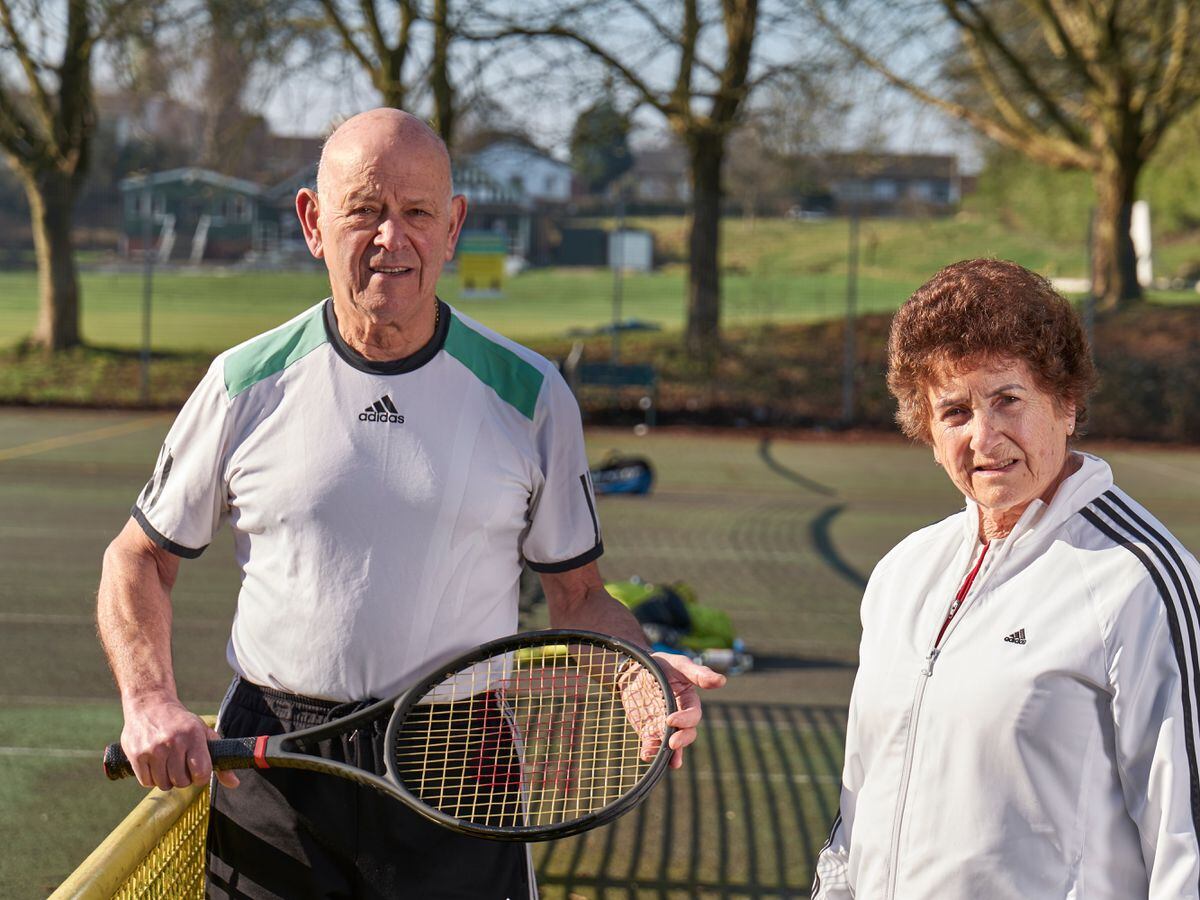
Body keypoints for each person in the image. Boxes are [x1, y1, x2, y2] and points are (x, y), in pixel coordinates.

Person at [96, 107, 725, 900]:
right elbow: (139, 557)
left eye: (418, 212)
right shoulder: (241, 385)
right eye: (364, 210)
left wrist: (636, 672)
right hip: (276, 766)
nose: (392, 238)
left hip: (463, 766)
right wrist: (148, 699)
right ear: (312, 222)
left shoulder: (530, 396)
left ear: (454, 224)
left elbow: (582, 597)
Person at [812, 258, 1200, 899]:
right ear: (927, 430)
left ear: (1067, 402)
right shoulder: (903, 573)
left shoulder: (1141, 583)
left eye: (1008, 400)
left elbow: (1188, 841)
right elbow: (862, 802)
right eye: (955, 411)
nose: (984, 437)